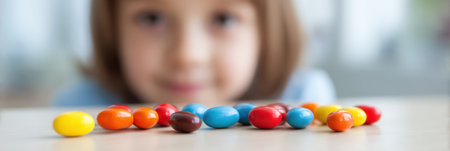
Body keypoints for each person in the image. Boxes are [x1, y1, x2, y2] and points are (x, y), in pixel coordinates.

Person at [53, 0, 335, 106]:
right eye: (151, 18)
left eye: (224, 19)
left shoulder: (302, 100)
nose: (187, 55)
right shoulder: (84, 110)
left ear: (268, 32)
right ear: (112, 30)